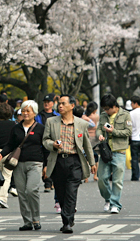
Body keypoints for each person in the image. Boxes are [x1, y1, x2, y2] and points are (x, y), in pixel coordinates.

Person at [43, 95, 96, 234]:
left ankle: (67, 222)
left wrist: (92, 163)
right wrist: (52, 144)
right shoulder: (51, 122)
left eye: (63, 104)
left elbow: (87, 144)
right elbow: (45, 140)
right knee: (60, 193)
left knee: (71, 192)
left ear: (72, 106)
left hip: (75, 161)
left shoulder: (81, 123)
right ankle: (68, 217)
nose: (60, 106)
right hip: (58, 161)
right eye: (59, 104)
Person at [0, 100, 46, 231]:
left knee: (31, 190)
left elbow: (46, 148)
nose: (25, 113)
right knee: (22, 193)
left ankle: (36, 219)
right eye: (23, 110)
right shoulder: (16, 128)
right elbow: (10, 145)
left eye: (28, 111)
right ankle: (27, 222)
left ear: (34, 113)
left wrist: (46, 165)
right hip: (18, 164)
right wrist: (1, 154)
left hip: (35, 163)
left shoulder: (40, 128)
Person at [96, 94, 132, 214]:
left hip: (120, 151)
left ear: (115, 106)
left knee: (117, 181)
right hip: (106, 150)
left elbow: (128, 132)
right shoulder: (103, 116)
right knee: (101, 178)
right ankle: (108, 199)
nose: (106, 111)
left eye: (107, 109)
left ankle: (115, 204)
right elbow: (99, 128)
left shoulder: (125, 114)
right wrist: (99, 134)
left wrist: (113, 131)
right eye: (104, 109)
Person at [34, 93, 60, 194]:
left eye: (48, 102)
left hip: (55, 142)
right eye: (45, 102)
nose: (46, 104)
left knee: (54, 163)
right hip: (42, 143)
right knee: (45, 163)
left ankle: (52, 181)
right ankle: (47, 183)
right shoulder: (39, 116)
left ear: (52, 103)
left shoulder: (57, 115)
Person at [86, 101, 100, 181]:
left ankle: (86, 176)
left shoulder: (85, 116)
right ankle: (95, 175)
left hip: (87, 137)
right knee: (96, 157)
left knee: (87, 157)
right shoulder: (96, 116)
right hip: (95, 137)